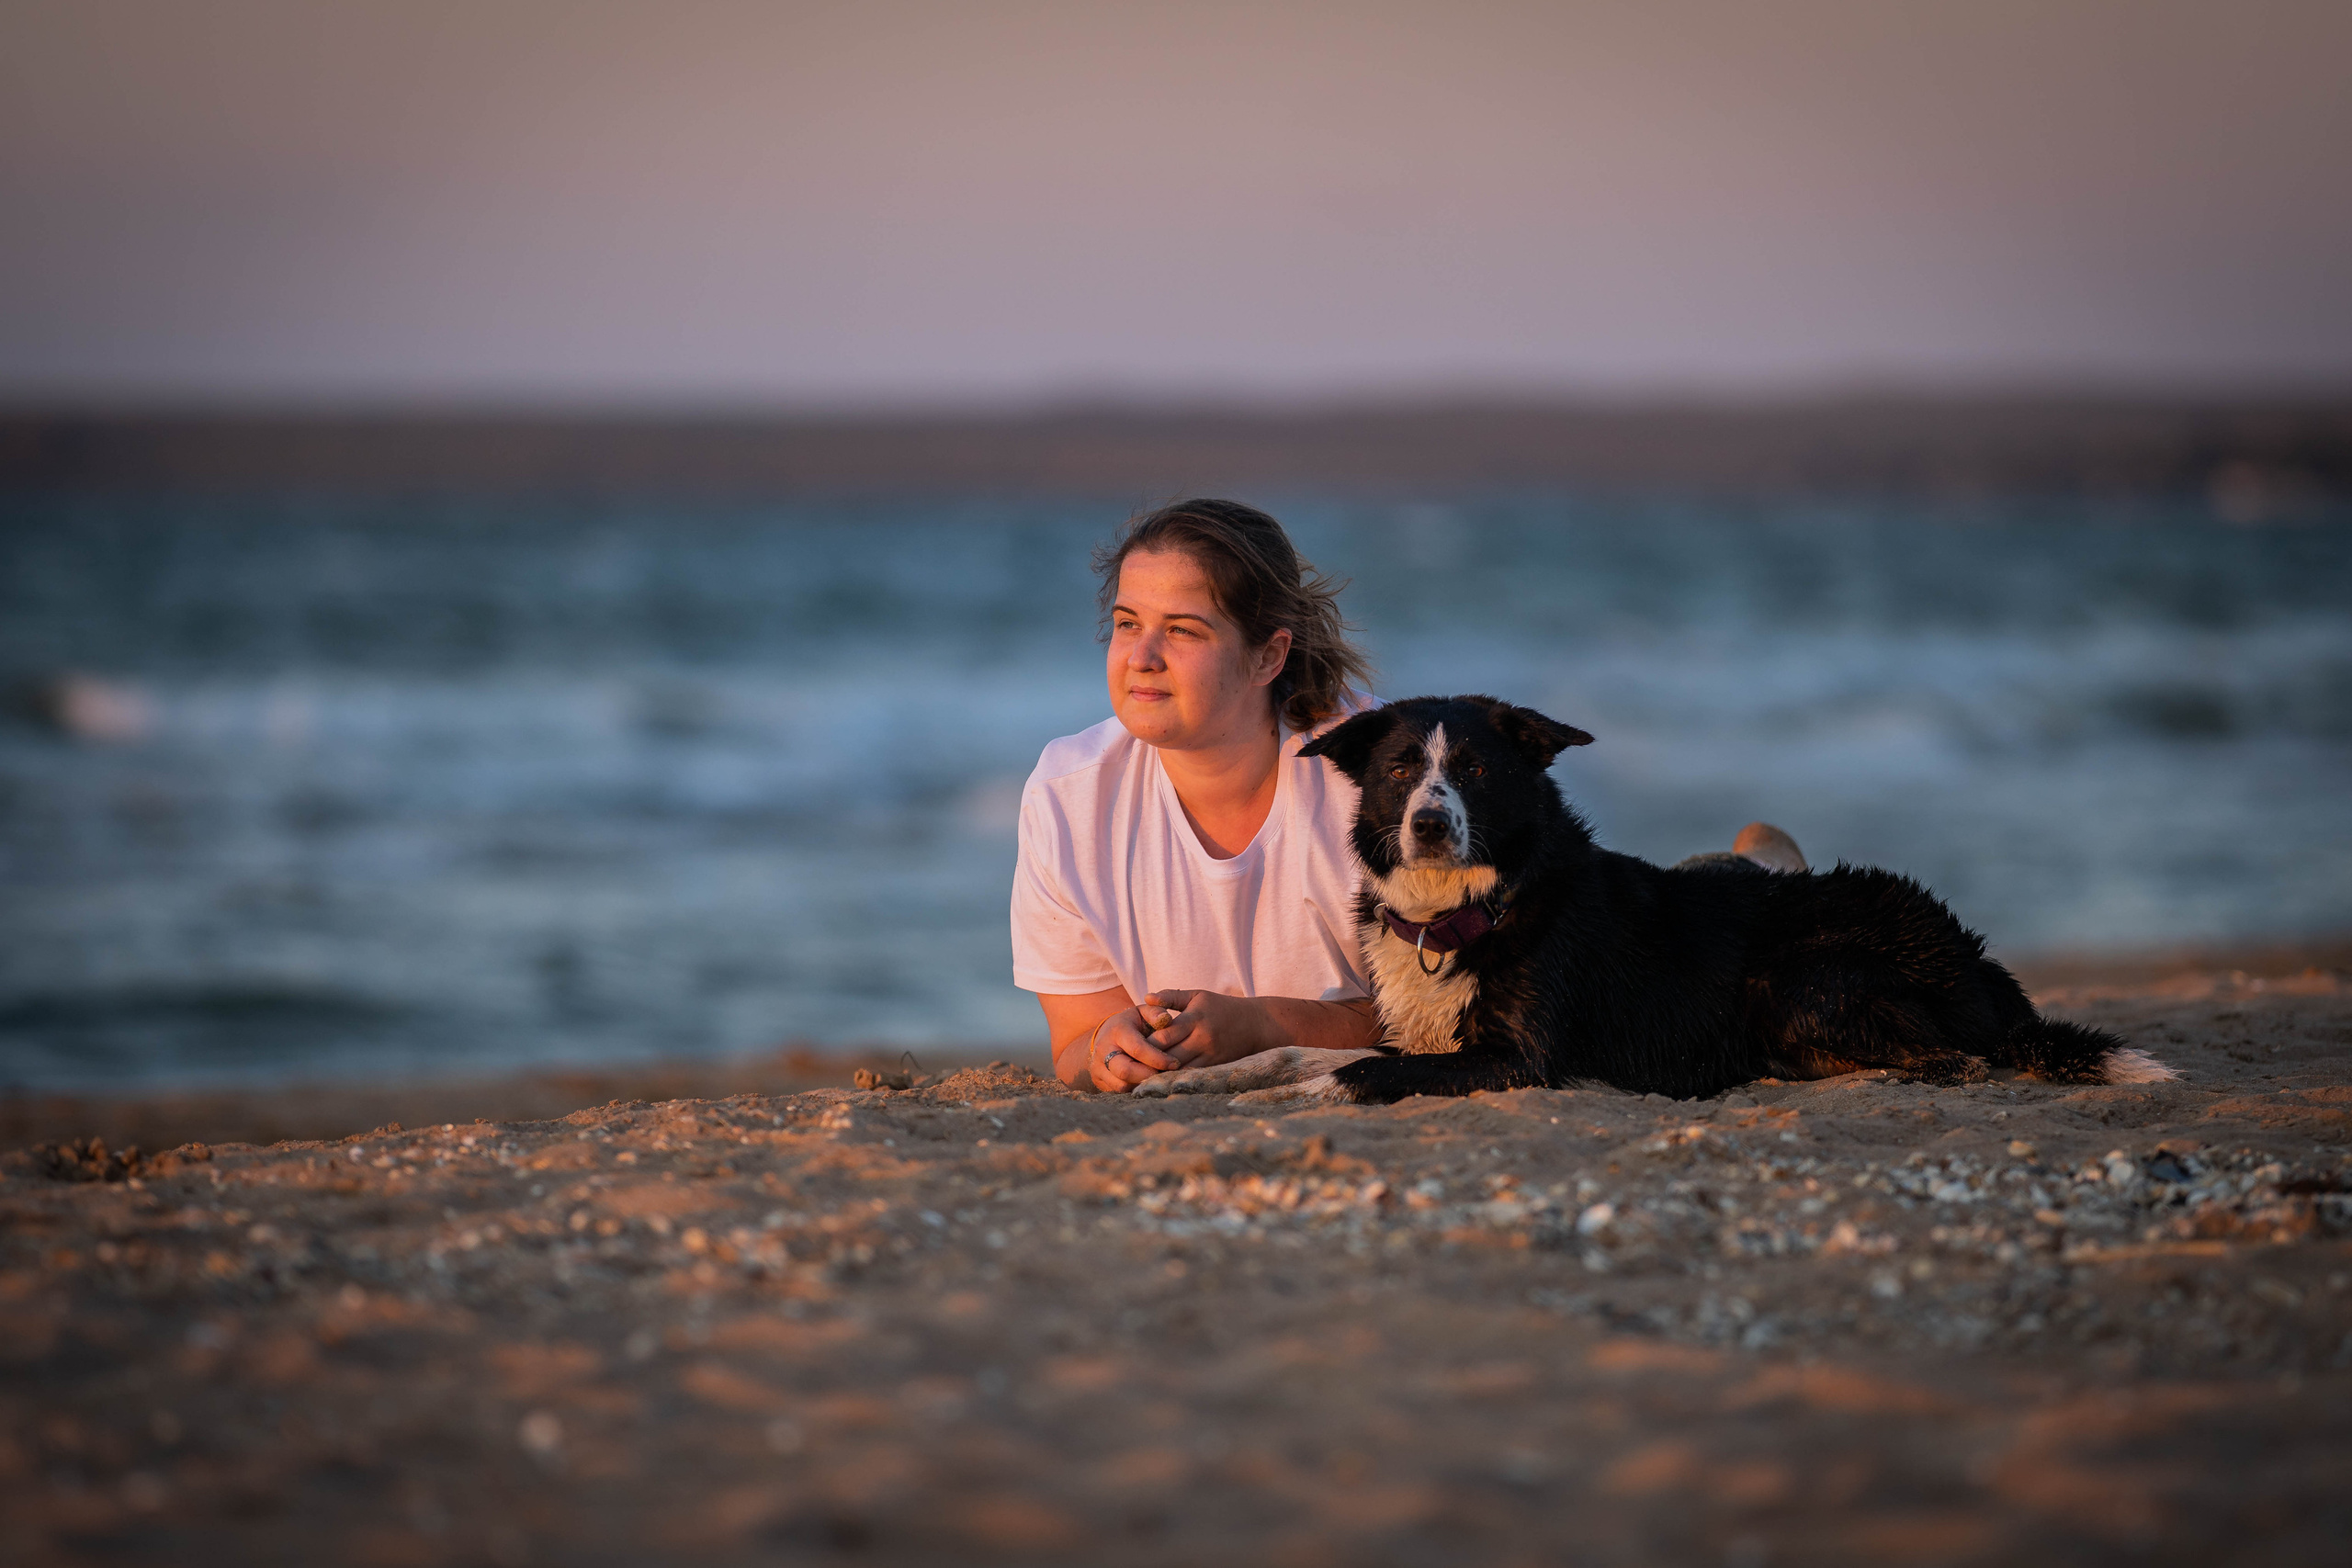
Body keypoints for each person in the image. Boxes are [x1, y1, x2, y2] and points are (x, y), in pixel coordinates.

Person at [1011, 498, 1805, 1094]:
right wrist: (1110, 1048)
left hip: (1585, 955)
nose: (1142, 656)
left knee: (1675, 942)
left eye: (1184, 630)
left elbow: (1452, 1014)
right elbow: (1075, 1040)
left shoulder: (1379, 785)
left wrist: (1259, 1024)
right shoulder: (1067, 795)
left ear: (1268, 657)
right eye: (1127, 623)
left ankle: (1750, 877)